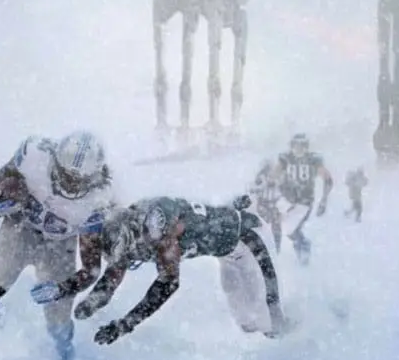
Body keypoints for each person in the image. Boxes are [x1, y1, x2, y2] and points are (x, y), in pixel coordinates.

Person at [0, 132, 117, 360]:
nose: (70, 184)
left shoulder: (97, 202)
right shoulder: (35, 154)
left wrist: (62, 289)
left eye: (78, 180)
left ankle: (66, 357)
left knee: (58, 320)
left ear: (94, 177)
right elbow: (6, 176)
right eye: (65, 175)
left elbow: (92, 268)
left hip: (59, 246)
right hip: (22, 228)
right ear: (54, 161)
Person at [67, 194, 290, 345]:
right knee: (246, 322)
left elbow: (168, 283)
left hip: (248, 238)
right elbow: (113, 277)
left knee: (271, 320)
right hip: (227, 253)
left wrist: (125, 325)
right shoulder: (131, 230)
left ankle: (299, 345)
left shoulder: (158, 226)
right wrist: (89, 304)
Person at [269, 133, 333, 266]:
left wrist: (324, 200)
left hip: (304, 200)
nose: (298, 149)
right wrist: (268, 184)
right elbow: (273, 175)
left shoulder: (313, 160)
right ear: (292, 146)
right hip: (287, 198)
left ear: (306, 146)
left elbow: (327, 179)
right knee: (281, 226)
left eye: (301, 145)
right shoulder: (286, 158)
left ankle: (303, 247)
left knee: (291, 228)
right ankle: (288, 249)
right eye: (296, 145)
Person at [249, 159, 283, 253]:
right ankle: (262, 247)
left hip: (275, 205)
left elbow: (283, 192)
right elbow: (252, 189)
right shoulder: (260, 177)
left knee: (276, 227)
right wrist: (262, 186)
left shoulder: (279, 178)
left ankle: (276, 248)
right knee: (261, 226)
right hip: (263, 204)